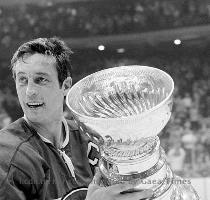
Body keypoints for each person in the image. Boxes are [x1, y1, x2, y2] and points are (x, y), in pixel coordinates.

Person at [0, 37, 153, 200]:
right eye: (22, 80)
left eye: (41, 79)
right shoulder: (8, 155)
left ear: (65, 86)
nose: (29, 91)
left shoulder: (90, 137)